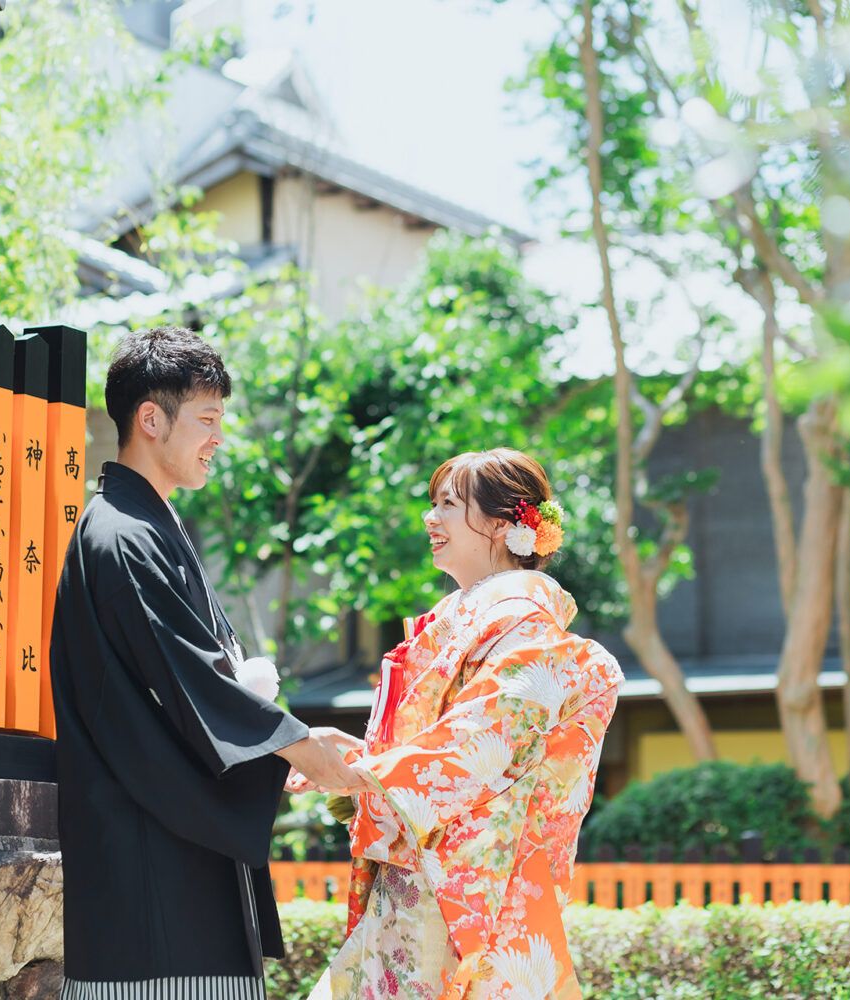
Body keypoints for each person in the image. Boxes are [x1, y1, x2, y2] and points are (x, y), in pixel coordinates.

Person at [50, 326, 365, 1000]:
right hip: (147, 852)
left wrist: (288, 747)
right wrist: (295, 747)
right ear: (151, 419)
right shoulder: (121, 534)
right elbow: (187, 679)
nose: (219, 437)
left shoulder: (146, 525)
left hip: (171, 834)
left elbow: (191, 683)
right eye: (208, 419)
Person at [313, 448, 624, 1000]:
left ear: (503, 526)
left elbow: (481, 740)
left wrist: (365, 775)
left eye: (448, 505)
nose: (431, 518)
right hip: (421, 863)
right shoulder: (459, 620)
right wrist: (360, 763)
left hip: (472, 876)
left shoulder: (525, 624)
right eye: (433, 504)